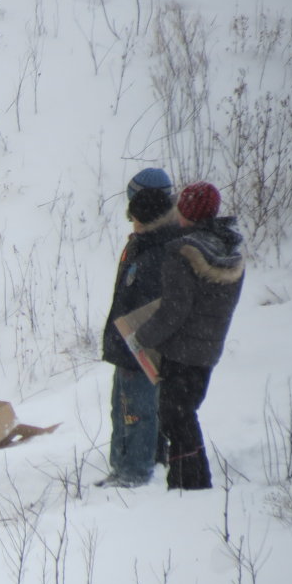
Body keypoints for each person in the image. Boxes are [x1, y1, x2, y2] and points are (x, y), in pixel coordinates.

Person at [134, 182, 244, 490]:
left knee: (174, 417)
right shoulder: (228, 251)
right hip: (208, 349)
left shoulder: (183, 253)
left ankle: (190, 483)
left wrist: (143, 336)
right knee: (184, 414)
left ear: (187, 212)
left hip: (181, 351)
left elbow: (174, 310)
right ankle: (188, 480)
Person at [96, 169, 183, 488]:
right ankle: (132, 465)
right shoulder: (147, 241)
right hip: (130, 343)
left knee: (135, 410)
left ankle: (133, 472)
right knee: (125, 407)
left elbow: (150, 303)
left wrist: (138, 343)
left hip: (142, 345)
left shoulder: (161, 247)